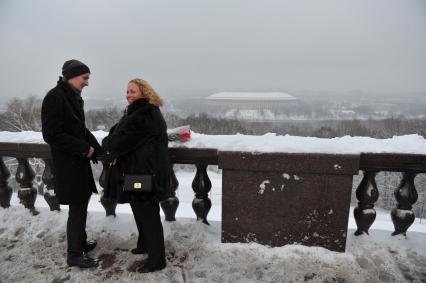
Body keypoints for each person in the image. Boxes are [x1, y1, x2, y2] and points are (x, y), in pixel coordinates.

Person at [102, 78, 170, 273]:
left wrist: (111, 148)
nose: (128, 95)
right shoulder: (137, 112)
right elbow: (116, 133)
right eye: (127, 91)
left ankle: (157, 259)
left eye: (132, 91)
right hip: (139, 172)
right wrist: (113, 144)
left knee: (147, 213)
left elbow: (117, 141)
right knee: (139, 209)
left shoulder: (144, 114)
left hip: (144, 174)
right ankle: (144, 244)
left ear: (144, 93)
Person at [41, 59, 102, 268]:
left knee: (81, 205)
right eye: (85, 78)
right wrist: (85, 149)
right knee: (77, 209)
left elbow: (80, 130)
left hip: (78, 163)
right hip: (68, 165)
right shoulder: (55, 98)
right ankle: (74, 254)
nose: (87, 83)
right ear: (73, 76)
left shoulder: (73, 97)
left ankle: (81, 243)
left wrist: (97, 148)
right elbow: (51, 134)